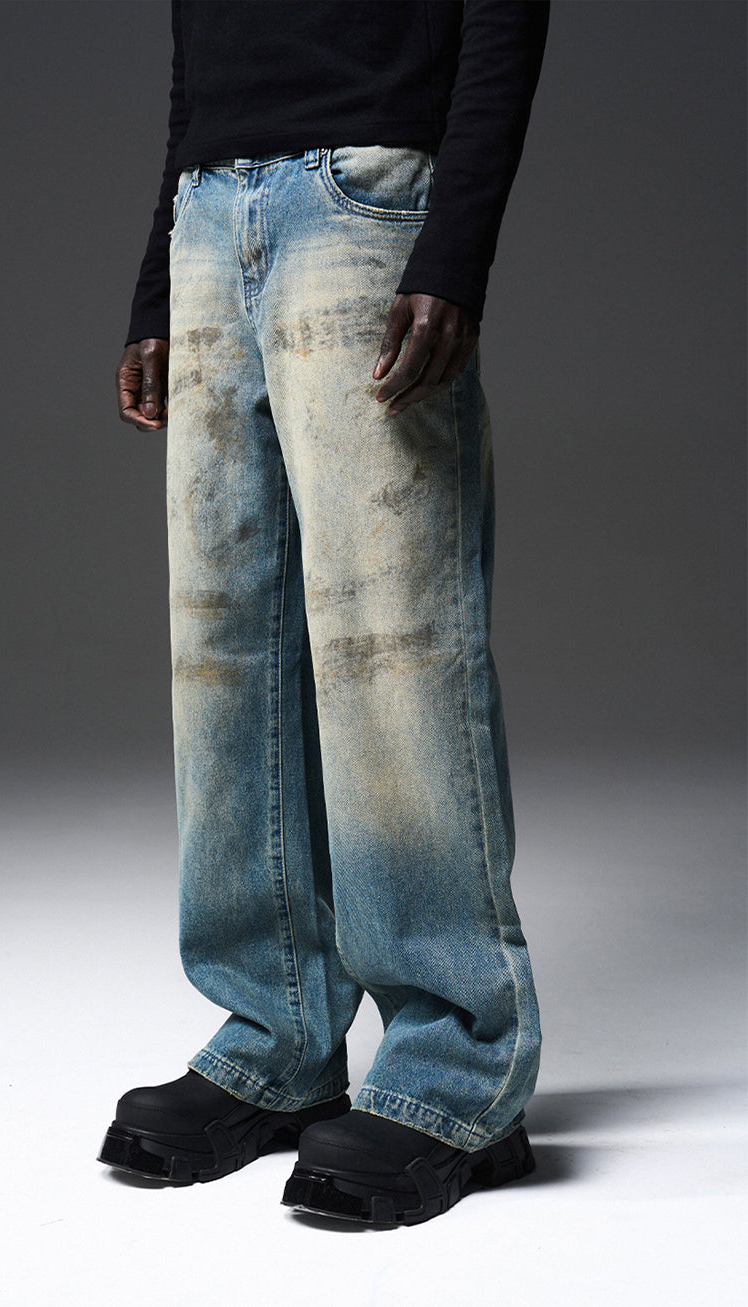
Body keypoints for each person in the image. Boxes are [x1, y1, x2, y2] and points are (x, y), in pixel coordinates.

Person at [99, 0, 550, 1227]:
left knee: (391, 642)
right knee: (225, 647)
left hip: (365, 197)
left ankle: (458, 1071)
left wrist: (453, 252)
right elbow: (199, 55)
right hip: (209, 214)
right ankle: (274, 1036)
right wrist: (159, 279)